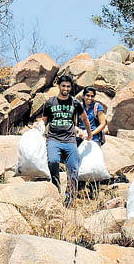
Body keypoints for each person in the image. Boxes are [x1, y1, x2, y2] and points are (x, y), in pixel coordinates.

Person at [37, 75, 93, 207]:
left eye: (68, 86)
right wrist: (37, 128)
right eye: (63, 86)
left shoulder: (75, 103)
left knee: (73, 169)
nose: (66, 89)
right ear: (59, 86)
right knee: (53, 162)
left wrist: (89, 134)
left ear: (71, 87)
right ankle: (56, 189)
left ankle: (69, 200)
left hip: (70, 141)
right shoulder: (50, 102)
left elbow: (84, 119)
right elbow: (44, 120)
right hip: (53, 139)